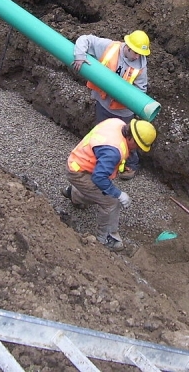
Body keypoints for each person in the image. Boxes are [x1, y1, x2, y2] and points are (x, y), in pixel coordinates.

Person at [61, 118, 157, 252]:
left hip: (80, 162)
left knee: (101, 194)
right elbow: (99, 178)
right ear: (132, 139)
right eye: (138, 146)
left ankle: (75, 194)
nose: (137, 150)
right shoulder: (113, 152)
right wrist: (118, 194)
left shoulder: (117, 123)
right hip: (80, 172)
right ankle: (106, 238)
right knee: (111, 201)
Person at [72, 30, 151, 179]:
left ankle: (132, 165)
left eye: (140, 54)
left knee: (128, 140)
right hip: (103, 104)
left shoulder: (141, 67)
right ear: (127, 46)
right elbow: (85, 39)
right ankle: (102, 161)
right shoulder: (110, 47)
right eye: (135, 52)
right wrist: (79, 55)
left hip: (123, 111)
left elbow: (141, 90)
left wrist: (125, 95)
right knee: (103, 134)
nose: (137, 56)